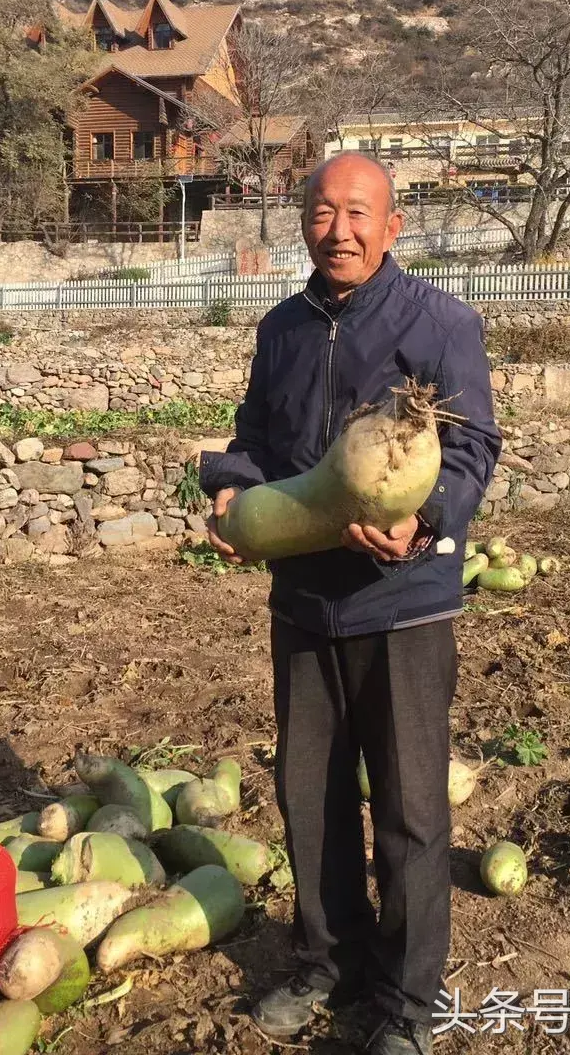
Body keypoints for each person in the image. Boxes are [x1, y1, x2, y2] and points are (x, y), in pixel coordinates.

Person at [199, 153, 502, 1055]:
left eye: (359, 213)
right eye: (323, 212)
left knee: (410, 812)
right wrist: (228, 488)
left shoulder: (440, 323)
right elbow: (256, 438)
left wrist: (425, 519)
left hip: (402, 601)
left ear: (393, 224)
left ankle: (408, 1006)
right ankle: (329, 959)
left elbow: (474, 448)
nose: (341, 230)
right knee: (310, 795)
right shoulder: (282, 329)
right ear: (302, 221)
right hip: (303, 598)